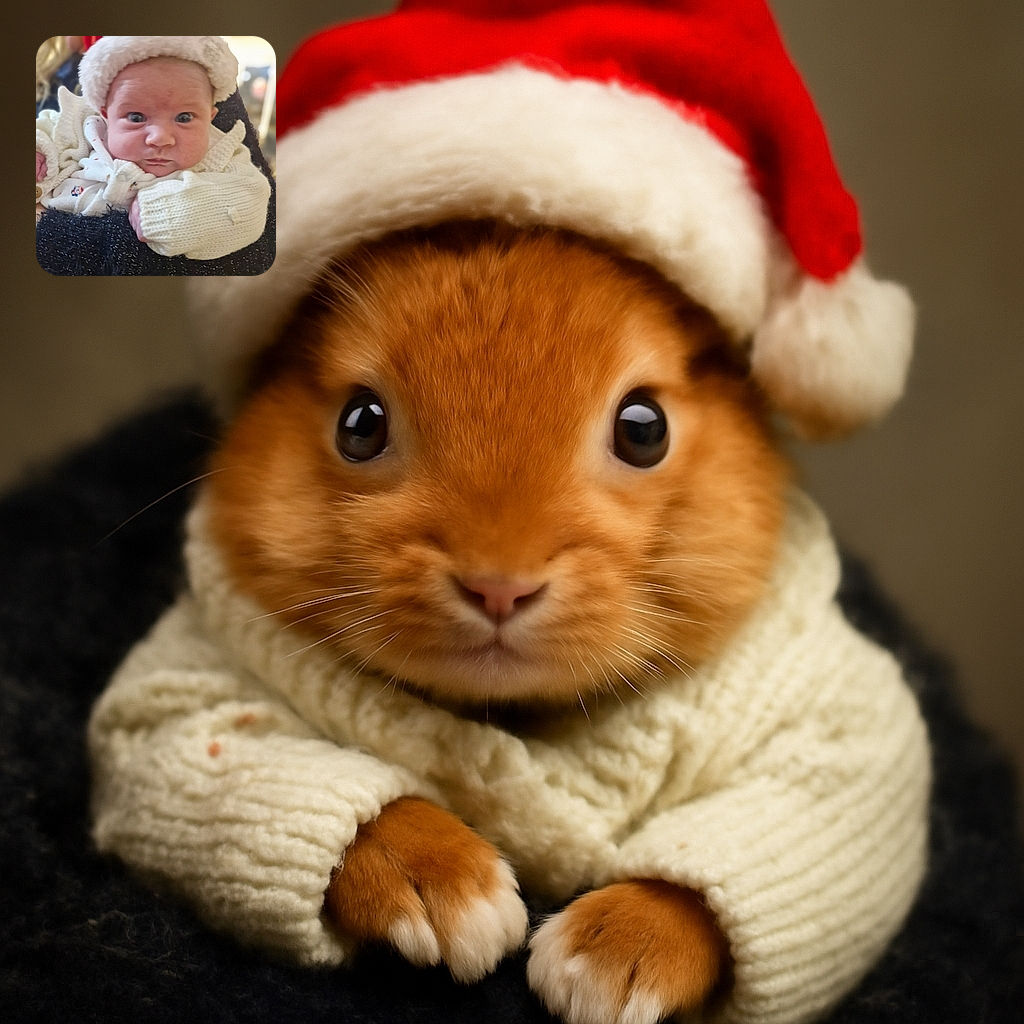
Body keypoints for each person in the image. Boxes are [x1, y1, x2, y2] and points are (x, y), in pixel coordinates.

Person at [36, 36, 271, 262]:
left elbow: (251, 202)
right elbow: (50, 127)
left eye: (184, 117)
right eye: (136, 117)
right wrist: (40, 150)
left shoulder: (221, 157)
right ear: (106, 115)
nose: (160, 138)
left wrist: (165, 214)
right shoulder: (88, 126)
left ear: (210, 118)